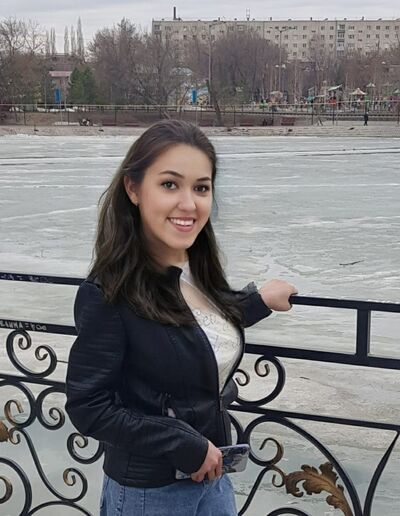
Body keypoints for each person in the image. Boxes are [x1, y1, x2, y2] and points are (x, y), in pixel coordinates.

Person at [65, 120, 297, 516]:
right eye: (170, 184)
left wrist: (259, 301)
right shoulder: (108, 294)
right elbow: (89, 406)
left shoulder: (197, 271)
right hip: (150, 493)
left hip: (213, 477)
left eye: (201, 188)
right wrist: (181, 443)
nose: (189, 204)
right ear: (133, 188)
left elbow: (197, 326)